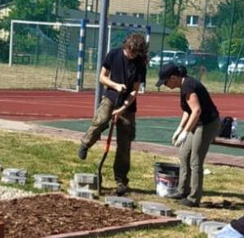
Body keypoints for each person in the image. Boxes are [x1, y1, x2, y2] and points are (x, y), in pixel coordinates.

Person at [77, 32, 149, 196]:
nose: (131, 55)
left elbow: (134, 91)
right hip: (111, 96)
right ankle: (85, 143)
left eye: (135, 53)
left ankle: (121, 181)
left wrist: (123, 108)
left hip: (127, 105)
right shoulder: (114, 54)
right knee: (101, 120)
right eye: (130, 51)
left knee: (125, 143)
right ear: (126, 46)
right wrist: (116, 86)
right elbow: (102, 77)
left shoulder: (139, 64)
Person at [158, 63, 221, 208]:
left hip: (207, 124)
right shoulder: (183, 86)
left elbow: (197, 110)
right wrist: (180, 129)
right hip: (197, 122)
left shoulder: (188, 86)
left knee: (195, 159)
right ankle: (182, 190)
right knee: (184, 154)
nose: (165, 85)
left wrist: (186, 132)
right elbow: (188, 110)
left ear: (173, 78)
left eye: (165, 82)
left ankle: (194, 197)